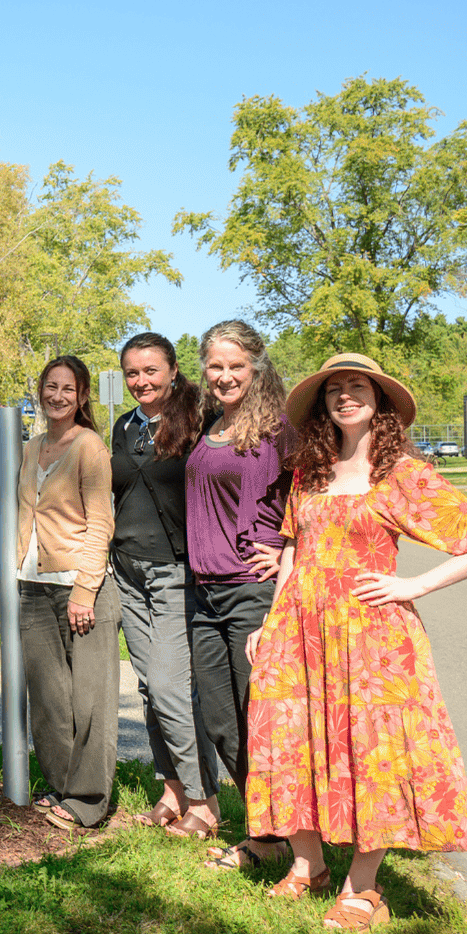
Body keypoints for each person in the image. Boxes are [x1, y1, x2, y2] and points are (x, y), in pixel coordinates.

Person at [242, 355, 467, 929]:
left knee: (376, 755)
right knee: (293, 741)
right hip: (299, 630)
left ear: (378, 401)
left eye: (356, 386)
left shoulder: (402, 473)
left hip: (373, 640)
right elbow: (293, 550)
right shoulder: (308, 472)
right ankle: (306, 866)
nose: (344, 397)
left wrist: (415, 583)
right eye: (334, 389)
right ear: (322, 406)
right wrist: (269, 621)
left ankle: (363, 889)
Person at [187, 319, 291, 866]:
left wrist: (288, 548)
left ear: (256, 367)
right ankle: (268, 827)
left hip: (251, 592)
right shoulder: (211, 423)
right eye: (216, 365)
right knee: (221, 721)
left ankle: (270, 840)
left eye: (236, 366)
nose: (225, 376)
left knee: (258, 717)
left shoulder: (278, 429)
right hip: (203, 595)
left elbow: (319, 489)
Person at [110, 333, 212, 834]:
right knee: (149, 688)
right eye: (132, 372)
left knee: (172, 689)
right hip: (127, 571)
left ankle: (203, 799)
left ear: (173, 370)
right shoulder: (123, 428)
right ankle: (170, 789)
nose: (141, 381)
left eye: (151, 370)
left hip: (177, 573)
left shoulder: (199, 419)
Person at [15, 355, 120, 831]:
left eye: (68, 389)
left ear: (82, 398)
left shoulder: (90, 447)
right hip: (33, 587)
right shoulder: (32, 445)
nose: (57, 396)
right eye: (50, 387)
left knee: (90, 702)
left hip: (82, 589)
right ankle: (61, 787)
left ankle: (89, 800)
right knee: (49, 700)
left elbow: (101, 522)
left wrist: (84, 589)